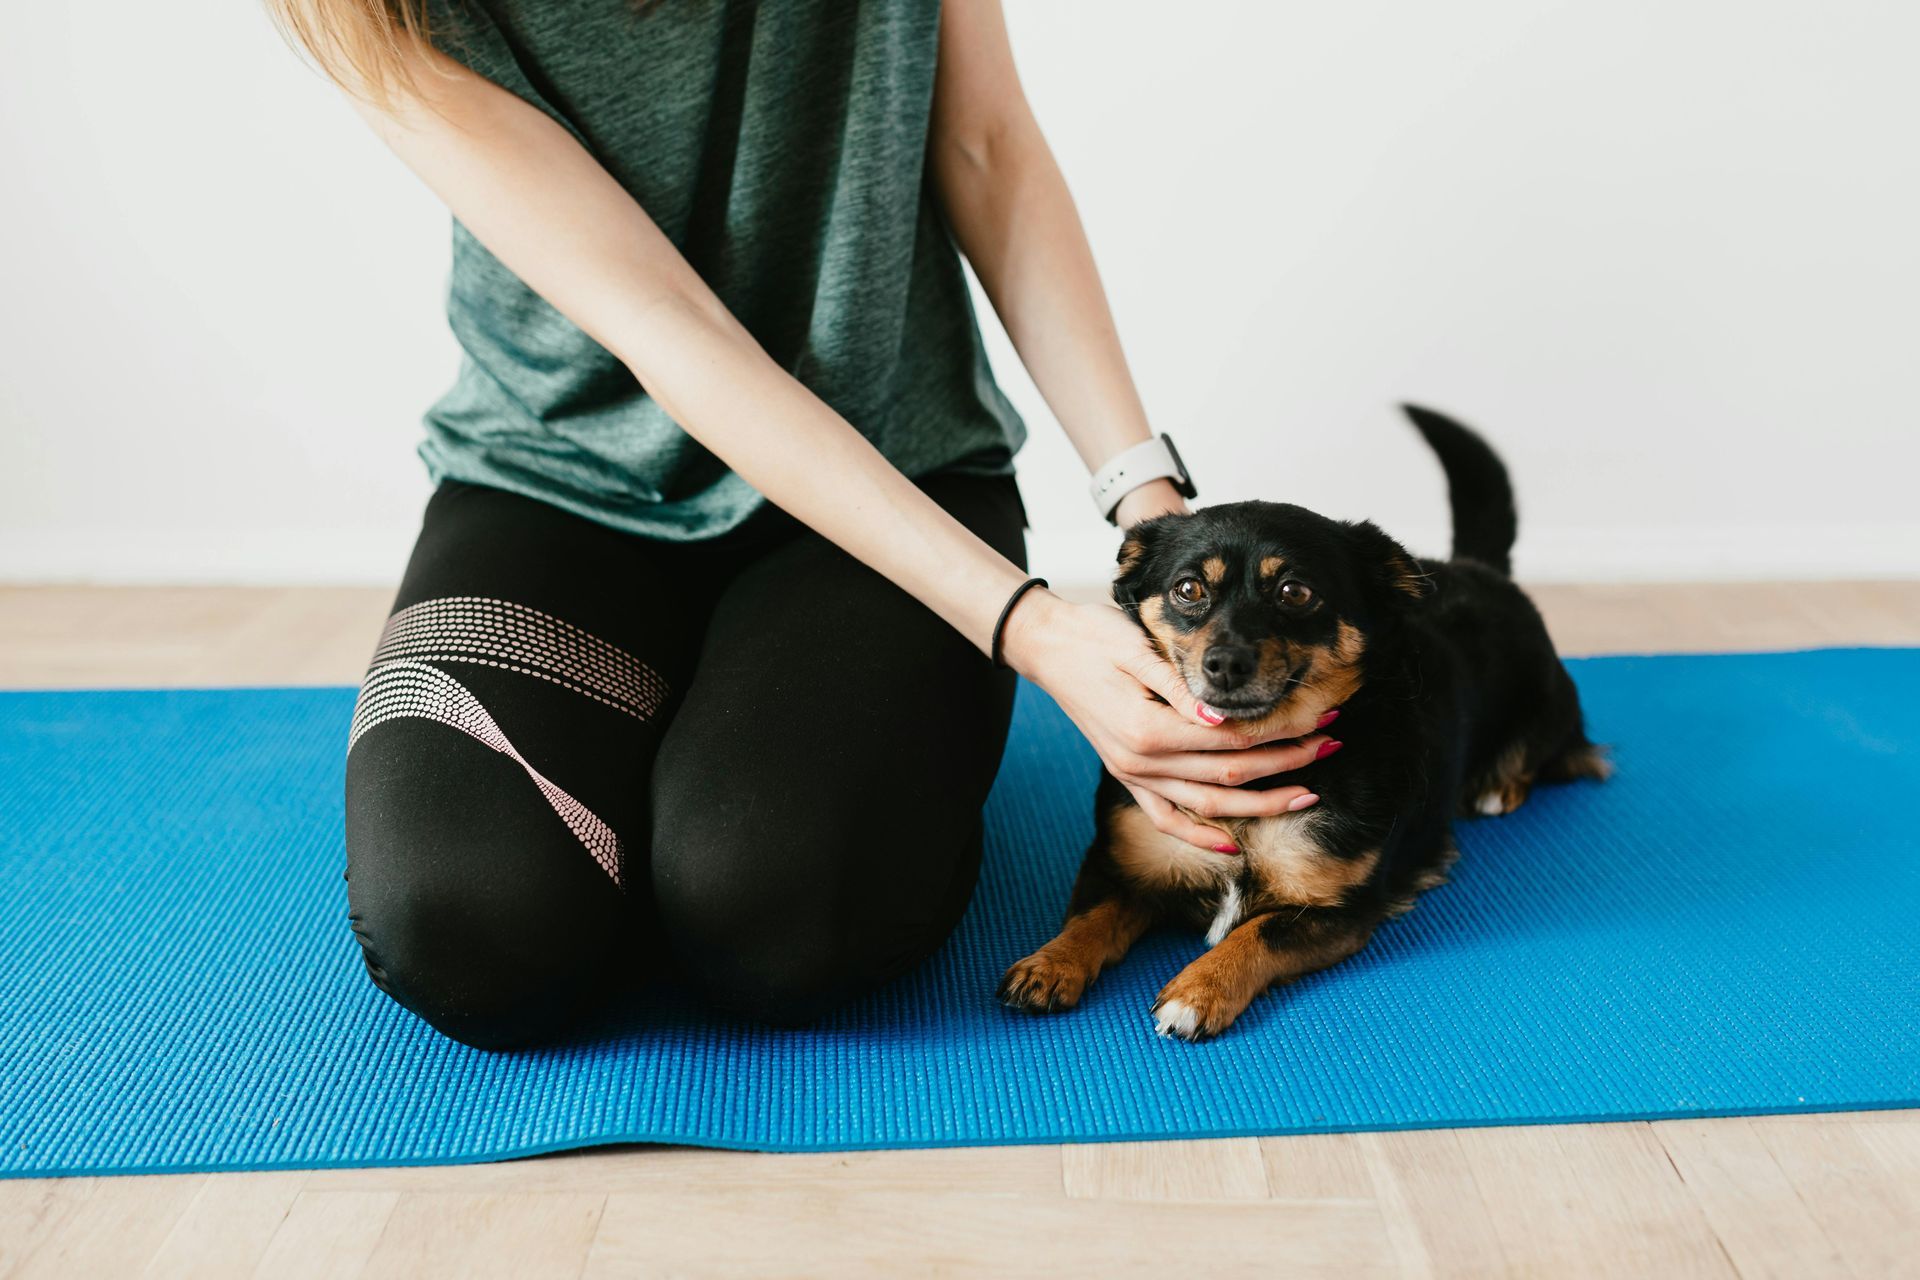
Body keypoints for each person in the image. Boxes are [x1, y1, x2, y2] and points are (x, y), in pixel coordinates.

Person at [269, 0, 1337, 1049]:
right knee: (470, 932)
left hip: (897, 470)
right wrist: (1036, 627)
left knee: (780, 918)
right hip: (555, 478)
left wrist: (1155, 519)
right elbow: (664, 319)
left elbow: (985, 143)